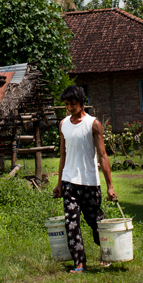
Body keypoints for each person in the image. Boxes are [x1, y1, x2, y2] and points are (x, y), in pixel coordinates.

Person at [52, 84, 116, 273]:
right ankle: (80, 263)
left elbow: (103, 155)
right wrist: (59, 183)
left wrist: (110, 186)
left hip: (89, 182)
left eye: (72, 104)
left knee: (95, 222)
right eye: (66, 105)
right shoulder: (63, 124)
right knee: (71, 223)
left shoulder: (93, 124)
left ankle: (107, 252)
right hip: (69, 182)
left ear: (82, 103)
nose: (69, 108)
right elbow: (63, 155)